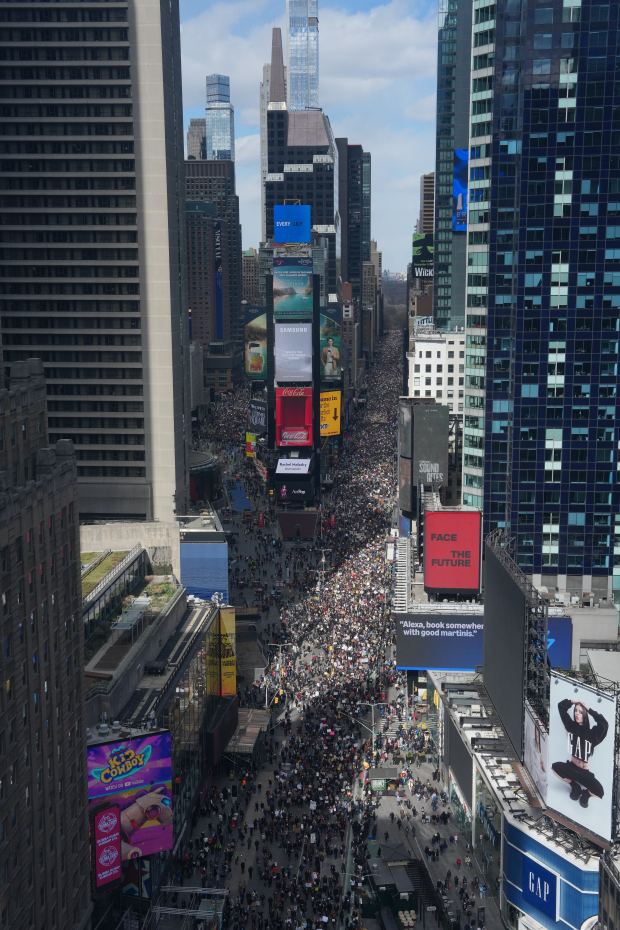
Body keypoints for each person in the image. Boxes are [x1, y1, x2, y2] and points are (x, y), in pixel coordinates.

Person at [551, 698, 609, 808]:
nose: (577, 714)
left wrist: (588, 708)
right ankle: (574, 785)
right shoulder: (570, 726)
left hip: (583, 772)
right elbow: (561, 706)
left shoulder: (592, 734)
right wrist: (573, 701)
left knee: (600, 792)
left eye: (580, 712)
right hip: (571, 767)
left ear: (585, 714)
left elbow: (604, 724)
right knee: (554, 767)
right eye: (575, 711)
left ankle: (586, 794)